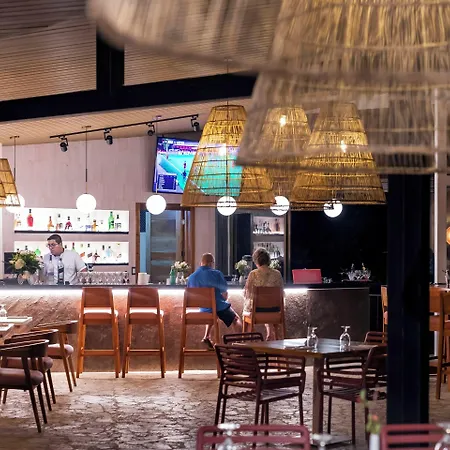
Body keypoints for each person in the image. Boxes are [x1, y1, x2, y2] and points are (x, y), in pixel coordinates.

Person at [187, 253, 242, 348]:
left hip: (204, 308)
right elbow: (225, 294)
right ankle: (239, 346)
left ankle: (206, 336)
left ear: (201, 263)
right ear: (211, 263)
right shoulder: (217, 274)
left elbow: (190, 295)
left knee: (212, 312)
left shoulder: (191, 277)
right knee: (236, 319)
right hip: (218, 307)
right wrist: (223, 300)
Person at [243, 247, 284, 340]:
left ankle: (247, 340)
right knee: (266, 305)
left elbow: (247, 294)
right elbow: (282, 293)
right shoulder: (277, 274)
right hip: (275, 311)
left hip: (257, 311)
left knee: (246, 309)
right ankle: (272, 335)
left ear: (256, 261)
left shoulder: (253, 274)